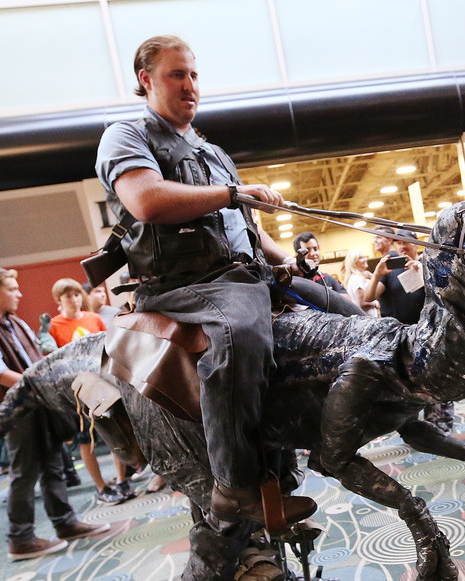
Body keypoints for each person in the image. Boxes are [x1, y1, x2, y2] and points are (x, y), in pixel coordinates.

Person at [96, 35, 359, 524]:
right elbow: (147, 201)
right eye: (177, 75)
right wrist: (233, 193)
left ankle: (337, 434)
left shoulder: (212, 151)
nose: (190, 85)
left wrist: (293, 263)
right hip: (182, 285)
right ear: (146, 80)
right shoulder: (126, 136)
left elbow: (249, 230)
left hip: (244, 272)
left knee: (340, 304)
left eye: (194, 75)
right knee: (240, 333)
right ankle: (235, 484)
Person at [0, 265, 109, 560]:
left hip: (39, 401)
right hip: (17, 409)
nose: (18, 294)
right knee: (24, 471)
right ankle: (20, 538)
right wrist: (44, 383)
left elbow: (36, 360)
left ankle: (65, 523)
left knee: (53, 462)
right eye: (12, 289)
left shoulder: (13, 322)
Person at [48, 278, 134, 505]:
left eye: (77, 295)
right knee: (87, 440)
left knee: (113, 429)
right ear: (59, 300)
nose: (74, 300)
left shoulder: (93, 318)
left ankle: (122, 479)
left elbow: (107, 348)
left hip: (102, 383)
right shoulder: (54, 325)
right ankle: (101, 487)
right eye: (68, 296)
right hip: (76, 389)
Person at [343, 249, 379, 316]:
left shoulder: (356, 277)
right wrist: (376, 304)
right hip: (368, 321)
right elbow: (362, 304)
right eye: (360, 258)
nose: (365, 259)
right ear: (354, 262)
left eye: (364, 257)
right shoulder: (357, 279)